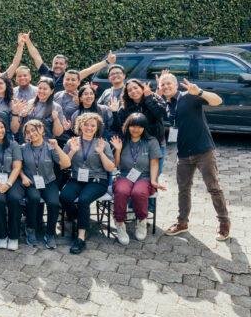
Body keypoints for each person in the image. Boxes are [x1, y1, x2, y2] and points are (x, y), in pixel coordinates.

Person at [163, 78, 231, 241]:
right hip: (183, 154)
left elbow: (218, 101)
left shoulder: (189, 96)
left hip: (203, 150)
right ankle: (182, 223)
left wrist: (200, 92)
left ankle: (224, 223)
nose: (166, 86)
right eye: (162, 84)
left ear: (176, 84)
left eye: (169, 83)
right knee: (183, 189)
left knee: (213, 187)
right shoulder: (168, 104)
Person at [59, 113, 116, 254]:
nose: (89, 128)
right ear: (80, 125)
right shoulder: (72, 142)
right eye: (86, 124)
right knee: (64, 197)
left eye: (92, 125)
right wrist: (72, 151)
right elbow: (63, 165)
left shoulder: (103, 143)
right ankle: (79, 218)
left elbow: (110, 168)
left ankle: (81, 238)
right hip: (76, 178)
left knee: (84, 200)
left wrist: (101, 153)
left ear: (97, 128)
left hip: (97, 180)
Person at [110, 113, 165, 245]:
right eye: (133, 126)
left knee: (138, 192)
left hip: (144, 176)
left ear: (144, 128)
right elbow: (115, 165)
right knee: (121, 191)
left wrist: (153, 180)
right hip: (125, 175)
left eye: (140, 127)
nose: (136, 129)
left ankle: (141, 220)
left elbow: (154, 163)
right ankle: (120, 223)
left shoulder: (151, 141)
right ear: (128, 126)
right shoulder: (122, 140)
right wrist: (118, 150)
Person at [19, 120, 71, 249]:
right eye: (28, 132)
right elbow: (17, 167)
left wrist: (57, 147)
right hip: (31, 182)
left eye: (34, 130)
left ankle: (50, 233)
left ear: (41, 129)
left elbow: (66, 164)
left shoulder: (50, 147)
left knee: (54, 203)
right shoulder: (23, 148)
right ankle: (30, 229)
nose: (31, 134)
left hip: (49, 182)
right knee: (34, 198)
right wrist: (23, 176)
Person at [23, 33, 112, 91]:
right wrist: (27, 41)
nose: (58, 65)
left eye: (61, 64)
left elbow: (89, 70)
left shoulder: (70, 77)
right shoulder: (45, 72)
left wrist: (107, 61)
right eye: (56, 63)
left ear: (66, 65)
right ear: (52, 64)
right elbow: (36, 56)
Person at [0, 117, 24, 250]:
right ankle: (2, 235)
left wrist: (7, 184)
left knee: (15, 199)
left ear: (5, 129)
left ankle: (14, 236)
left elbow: (17, 167)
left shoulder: (13, 145)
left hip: (12, 179)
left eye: (1, 127)